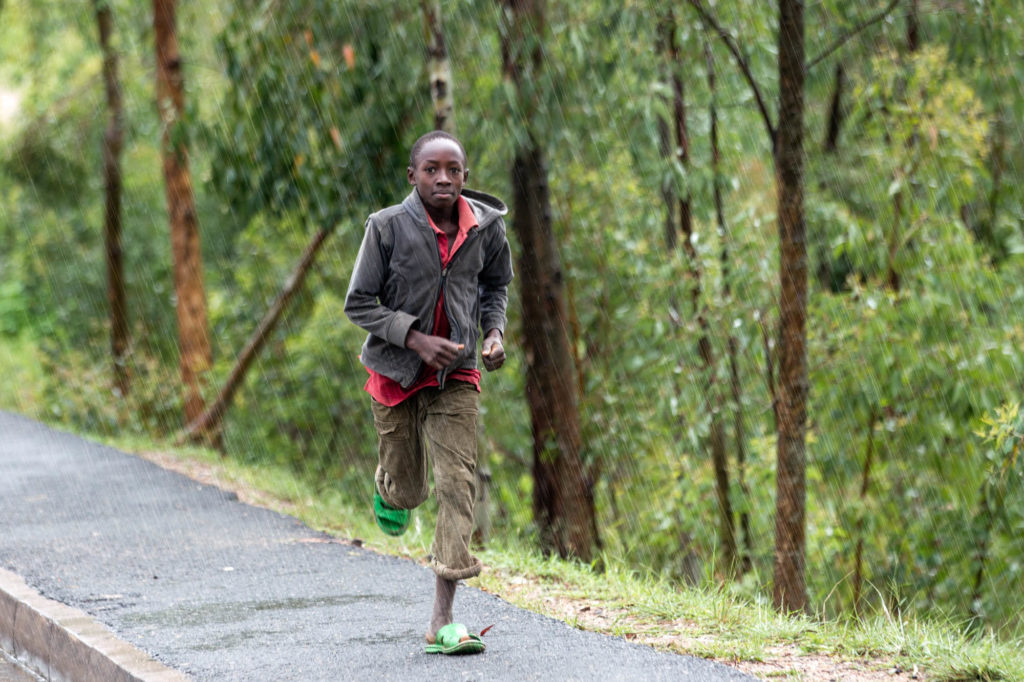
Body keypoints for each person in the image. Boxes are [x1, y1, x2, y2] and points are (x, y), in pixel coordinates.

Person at [344, 130, 513, 655]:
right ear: (412, 176)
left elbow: (495, 285)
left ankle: (442, 619)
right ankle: (389, 485)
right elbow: (358, 302)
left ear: (465, 176)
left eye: (454, 170)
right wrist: (414, 337)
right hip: (396, 370)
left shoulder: (485, 229)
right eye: (432, 169)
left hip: (457, 373)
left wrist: (493, 333)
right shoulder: (386, 227)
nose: (444, 178)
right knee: (410, 492)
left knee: (458, 484)